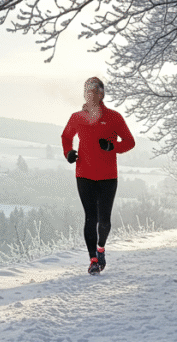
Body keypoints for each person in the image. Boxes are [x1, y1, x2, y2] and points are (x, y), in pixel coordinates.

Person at [61, 77, 135, 274]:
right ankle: (93, 260)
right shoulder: (77, 117)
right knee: (90, 218)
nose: (90, 94)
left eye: (94, 91)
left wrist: (113, 146)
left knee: (104, 221)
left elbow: (129, 141)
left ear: (101, 94)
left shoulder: (114, 117)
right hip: (84, 175)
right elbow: (66, 136)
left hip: (108, 177)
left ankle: (101, 248)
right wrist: (68, 153)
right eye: (87, 91)